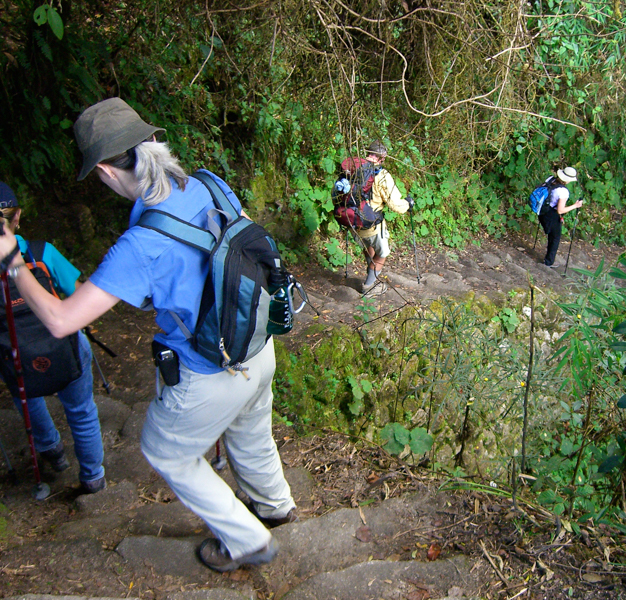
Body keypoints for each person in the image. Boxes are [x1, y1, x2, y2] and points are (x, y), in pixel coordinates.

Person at [0, 98, 295, 572]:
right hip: (256, 345)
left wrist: (14, 263)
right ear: (154, 142)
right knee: (251, 429)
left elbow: (59, 320)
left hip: (209, 371)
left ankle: (247, 540)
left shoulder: (140, 245)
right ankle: (275, 504)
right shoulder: (209, 185)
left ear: (105, 171)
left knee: (165, 452)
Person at [0, 182, 106, 494]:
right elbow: (76, 295)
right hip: (65, 346)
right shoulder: (41, 252)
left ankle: (52, 452)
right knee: (82, 410)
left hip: (15, 354)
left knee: (27, 398)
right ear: (17, 216)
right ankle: (93, 477)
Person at [356, 140, 412, 294]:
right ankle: (369, 287)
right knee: (382, 254)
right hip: (372, 223)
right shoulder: (381, 175)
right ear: (382, 157)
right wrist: (407, 204)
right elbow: (395, 204)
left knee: (370, 247)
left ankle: (371, 274)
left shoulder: (354, 170)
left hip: (353, 221)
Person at [537, 166, 583, 267]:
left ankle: (548, 260)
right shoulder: (563, 192)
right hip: (551, 215)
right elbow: (560, 210)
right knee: (555, 238)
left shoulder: (550, 179)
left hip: (542, 210)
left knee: (552, 234)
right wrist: (575, 206)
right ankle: (548, 262)